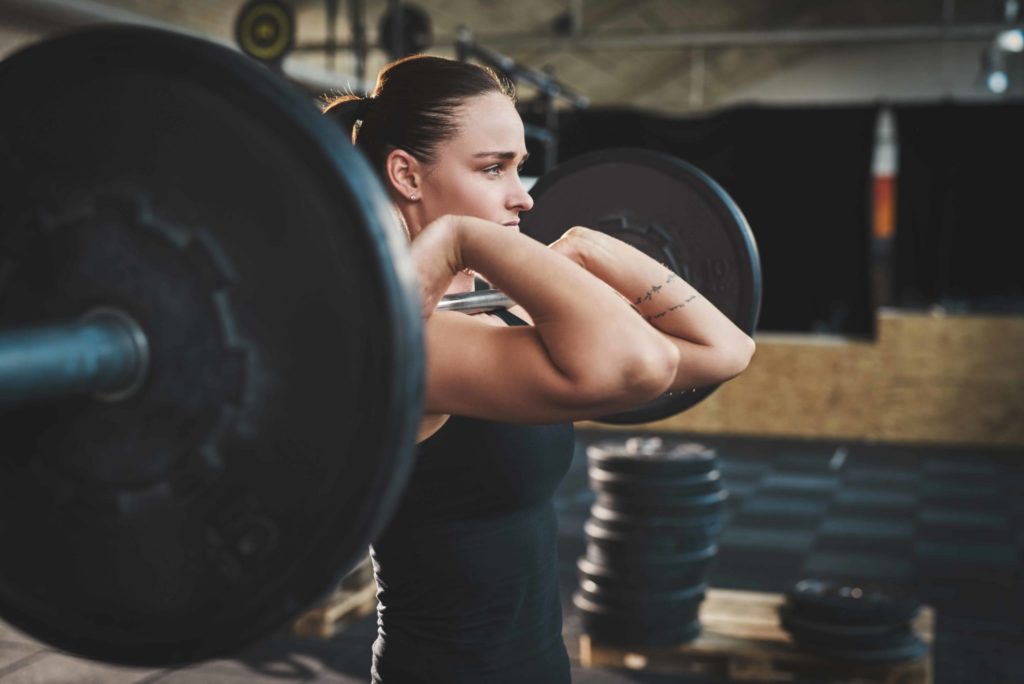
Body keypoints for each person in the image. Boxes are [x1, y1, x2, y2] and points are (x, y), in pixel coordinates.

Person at [323, 55, 755, 683]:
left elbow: (727, 350)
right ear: (406, 175)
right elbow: (642, 362)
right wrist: (459, 241)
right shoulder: (414, 344)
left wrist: (588, 245)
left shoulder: (492, 316)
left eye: (519, 167)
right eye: (493, 168)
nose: (522, 195)